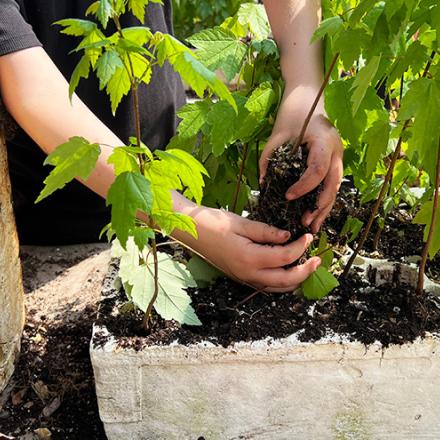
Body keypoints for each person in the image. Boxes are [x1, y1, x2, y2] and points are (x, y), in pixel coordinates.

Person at [0, 0, 343, 293]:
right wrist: (185, 221)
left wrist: (305, 88)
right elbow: (31, 91)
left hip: (173, 188)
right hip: (50, 232)